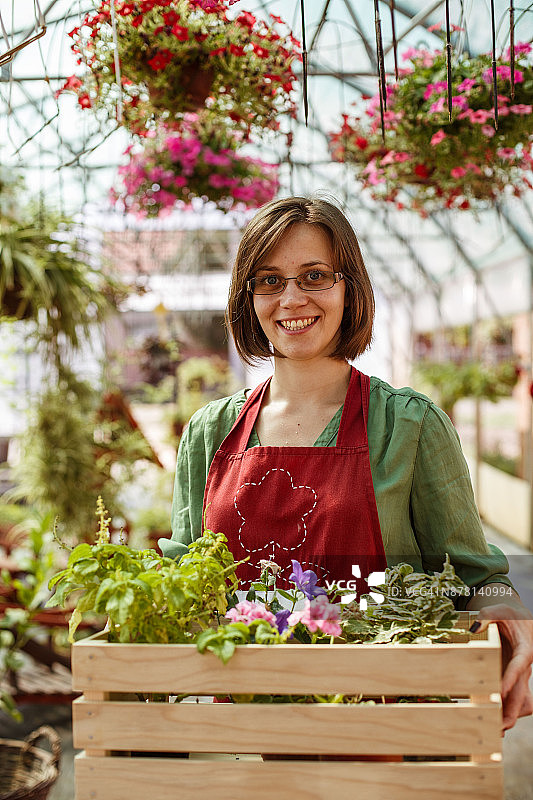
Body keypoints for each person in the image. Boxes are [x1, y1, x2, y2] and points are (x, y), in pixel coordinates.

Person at [159, 195, 533, 732]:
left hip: (388, 728)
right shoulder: (210, 434)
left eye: (314, 276)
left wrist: (506, 612)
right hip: (241, 732)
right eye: (269, 280)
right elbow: (182, 581)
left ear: (348, 287)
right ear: (249, 298)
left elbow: (476, 579)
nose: (291, 299)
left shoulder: (408, 425)